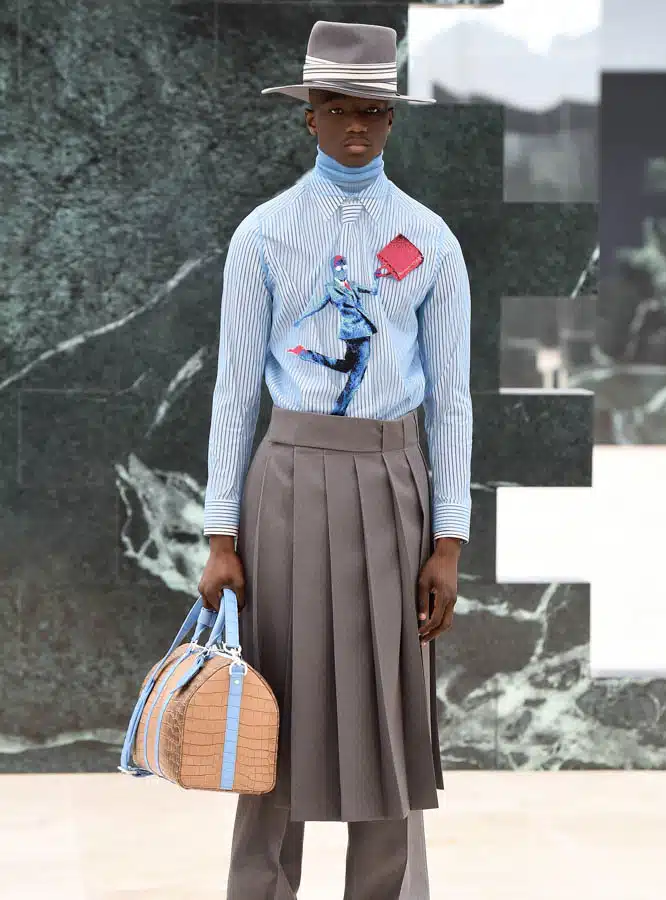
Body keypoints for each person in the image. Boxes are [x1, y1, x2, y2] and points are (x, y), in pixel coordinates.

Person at [198, 19, 472, 900]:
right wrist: (220, 535)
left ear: (392, 119)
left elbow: (452, 399)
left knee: (391, 707)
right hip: (286, 484)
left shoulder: (430, 239)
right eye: (338, 107)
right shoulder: (263, 235)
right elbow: (234, 392)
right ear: (307, 116)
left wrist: (449, 541)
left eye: (374, 110)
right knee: (274, 704)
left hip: (395, 487)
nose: (357, 124)